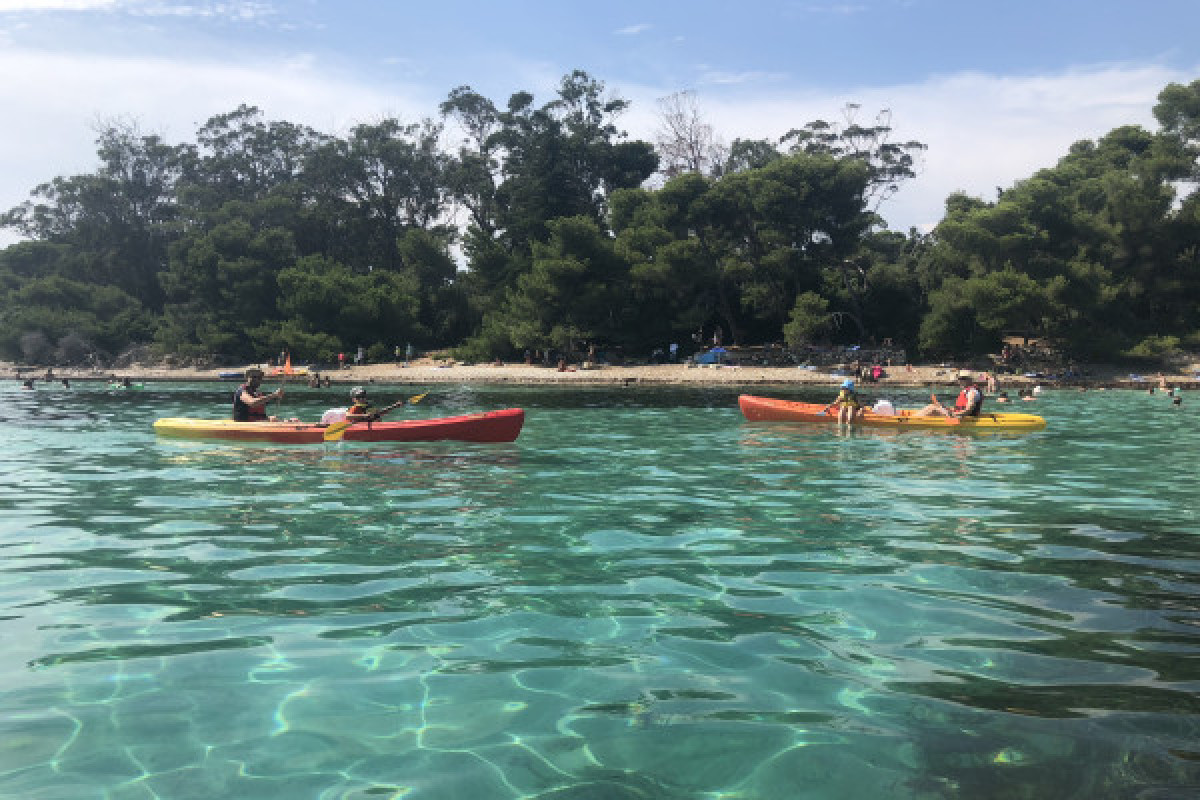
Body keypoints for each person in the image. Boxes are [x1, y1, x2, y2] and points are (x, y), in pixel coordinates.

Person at [915, 370, 984, 417]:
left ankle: (911, 421)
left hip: (966, 418)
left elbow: (968, 411)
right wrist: (946, 408)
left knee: (933, 409)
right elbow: (960, 408)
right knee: (932, 406)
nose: (960, 381)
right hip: (958, 414)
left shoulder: (972, 392)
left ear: (969, 380)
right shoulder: (966, 391)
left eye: (962, 379)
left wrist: (952, 414)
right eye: (959, 379)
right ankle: (913, 418)